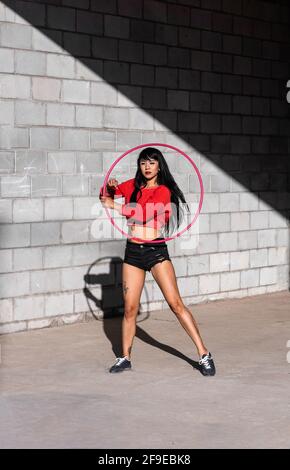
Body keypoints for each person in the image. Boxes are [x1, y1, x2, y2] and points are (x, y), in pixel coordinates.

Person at [99, 147, 216, 376]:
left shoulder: (163, 191)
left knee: (175, 304)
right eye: (143, 162)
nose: (147, 166)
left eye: (152, 162)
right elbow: (104, 196)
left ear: (159, 166)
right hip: (133, 252)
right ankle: (125, 357)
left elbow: (142, 213)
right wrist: (110, 187)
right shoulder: (133, 185)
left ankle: (204, 354)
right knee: (130, 309)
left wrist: (115, 205)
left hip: (155, 251)